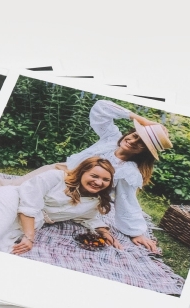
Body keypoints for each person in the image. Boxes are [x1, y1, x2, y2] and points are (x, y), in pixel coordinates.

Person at [0, 156, 118, 254]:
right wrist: (29, 237)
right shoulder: (55, 177)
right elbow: (29, 203)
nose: (98, 182)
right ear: (82, 172)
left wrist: (104, 232)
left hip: (29, 220)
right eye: (94, 176)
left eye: (105, 179)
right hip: (11, 200)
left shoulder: (94, 200)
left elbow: (87, 218)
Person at [66, 100, 172, 251]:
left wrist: (136, 232)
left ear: (145, 152)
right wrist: (142, 120)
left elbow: (126, 200)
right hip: (62, 175)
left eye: (141, 143)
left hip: (78, 194)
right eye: (135, 135)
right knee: (37, 182)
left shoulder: (128, 170)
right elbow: (101, 107)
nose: (133, 141)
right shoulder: (111, 137)